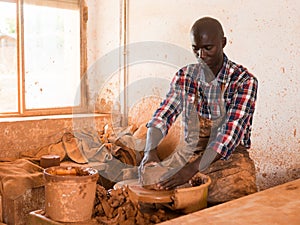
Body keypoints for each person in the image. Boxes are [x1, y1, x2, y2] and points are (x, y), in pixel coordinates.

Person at [139, 16, 258, 204]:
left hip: (229, 161)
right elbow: (163, 115)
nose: (201, 56)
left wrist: (190, 171)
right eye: (196, 49)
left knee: (236, 203)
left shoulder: (244, 82)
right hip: (190, 156)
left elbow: (229, 137)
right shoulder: (185, 76)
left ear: (223, 43)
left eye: (208, 48)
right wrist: (149, 150)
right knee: (161, 196)